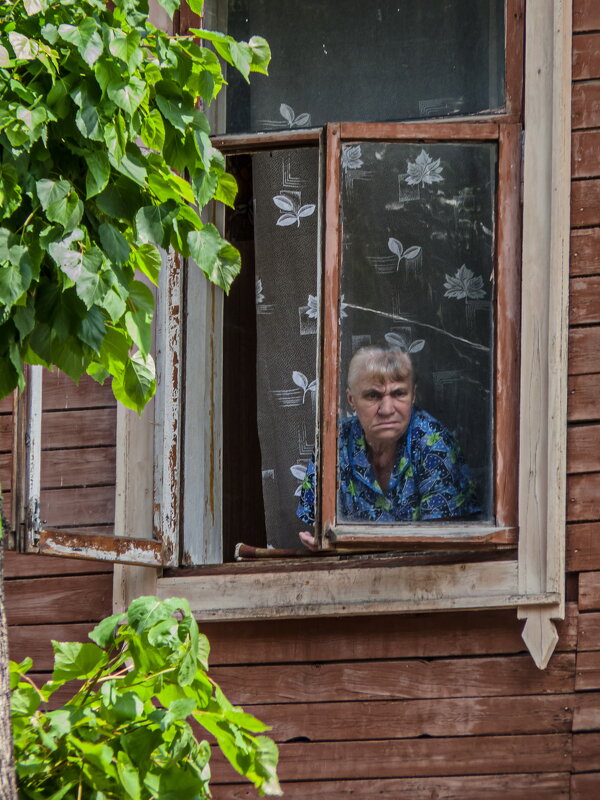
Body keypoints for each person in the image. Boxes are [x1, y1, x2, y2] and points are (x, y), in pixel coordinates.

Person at [297, 345, 479, 550]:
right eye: (373, 396)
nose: (386, 409)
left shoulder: (434, 443)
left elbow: (442, 543)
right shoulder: (334, 443)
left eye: (399, 393)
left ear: (413, 395)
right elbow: (319, 526)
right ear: (351, 400)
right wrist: (322, 543)